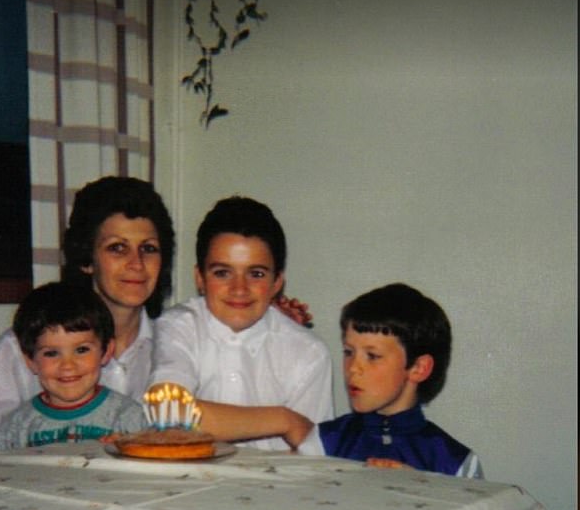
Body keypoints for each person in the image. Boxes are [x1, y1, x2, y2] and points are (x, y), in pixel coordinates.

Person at [0, 176, 175, 449]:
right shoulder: (24, 344)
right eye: (117, 248)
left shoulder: (174, 343)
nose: (136, 264)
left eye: (148, 249)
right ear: (86, 259)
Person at [146, 196, 334, 450]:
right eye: (222, 273)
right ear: (199, 277)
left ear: (277, 283)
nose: (239, 289)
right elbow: (169, 413)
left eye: (255, 274)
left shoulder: (308, 353)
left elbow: (313, 454)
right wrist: (284, 419)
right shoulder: (178, 325)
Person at [298, 283, 483, 478]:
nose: (353, 368)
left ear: (418, 368)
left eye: (372, 356)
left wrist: (425, 488)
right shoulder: (323, 443)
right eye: (348, 352)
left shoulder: (455, 462)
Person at [0, 282, 146, 451]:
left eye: (81, 350)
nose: (68, 366)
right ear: (30, 361)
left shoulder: (128, 417)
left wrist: (128, 451)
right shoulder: (17, 425)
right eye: (51, 353)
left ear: (106, 351)